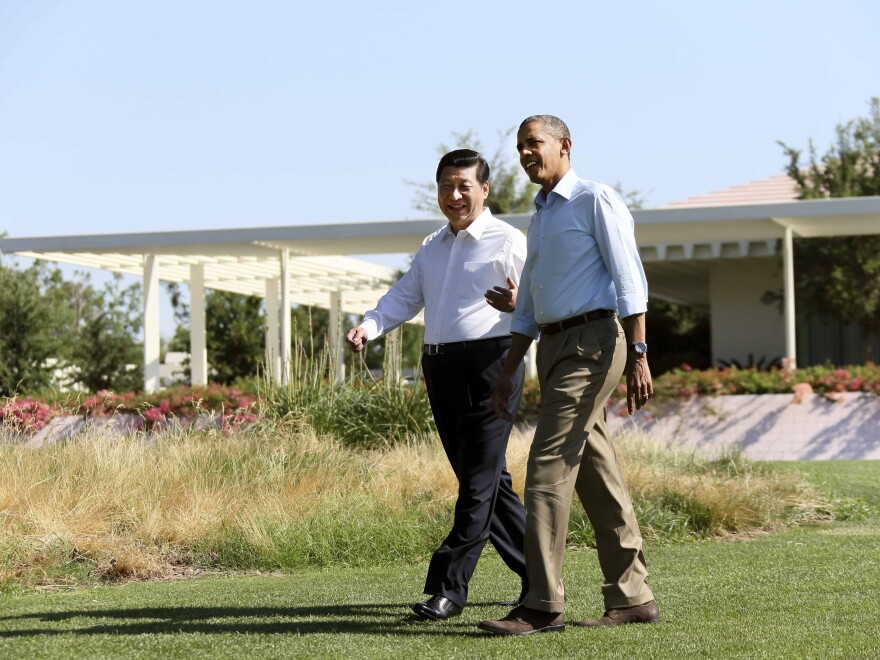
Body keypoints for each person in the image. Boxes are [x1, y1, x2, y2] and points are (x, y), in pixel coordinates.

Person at [477, 115, 659, 636]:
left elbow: (629, 280)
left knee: (548, 465)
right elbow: (530, 300)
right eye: (520, 147)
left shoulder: (594, 199)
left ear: (564, 145)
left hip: (595, 344)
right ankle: (633, 596)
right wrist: (510, 368)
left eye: (534, 144)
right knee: (597, 474)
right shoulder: (541, 214)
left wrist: (640, 353)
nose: (526, 154)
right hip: (555, 347)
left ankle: (541, 605)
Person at [346, 149, 529, 621]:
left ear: (485, 190)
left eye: (465, 186)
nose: (455, 195)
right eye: (447, 186)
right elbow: (406, 295)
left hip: (495, 366)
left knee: (477, 486)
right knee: (487, 483)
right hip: (442, 370)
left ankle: (449, 587)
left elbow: (538, 301)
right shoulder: (432, 246)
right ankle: (541, 575)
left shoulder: (509, 241)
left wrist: (518, 302)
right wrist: (370, 325)